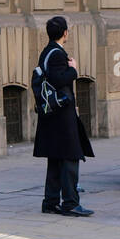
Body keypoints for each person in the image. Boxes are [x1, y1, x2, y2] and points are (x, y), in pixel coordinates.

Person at [34, 15, 94, 216]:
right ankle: (70, 203)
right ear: (65, 33)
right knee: (69, 158)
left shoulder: (47, 51)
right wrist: (74, 69)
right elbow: (59, 80)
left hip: (52, 115)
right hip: (61, 116)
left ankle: (50, 202)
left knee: (56, 158)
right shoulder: (58, 54)